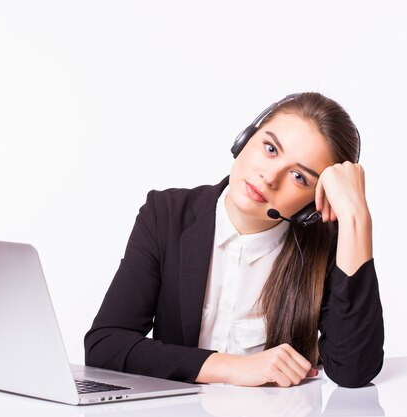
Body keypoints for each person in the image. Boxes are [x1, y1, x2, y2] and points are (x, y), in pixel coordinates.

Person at [84, 92, 384, 388]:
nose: (270, 177)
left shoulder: (328, 248)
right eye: (270, 148)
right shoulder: (165, 215)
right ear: (244, 140)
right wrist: (232, 368)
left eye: (298, 177)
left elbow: (353, 371)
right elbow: (105, 345)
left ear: (312, 206)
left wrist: (356, 217)